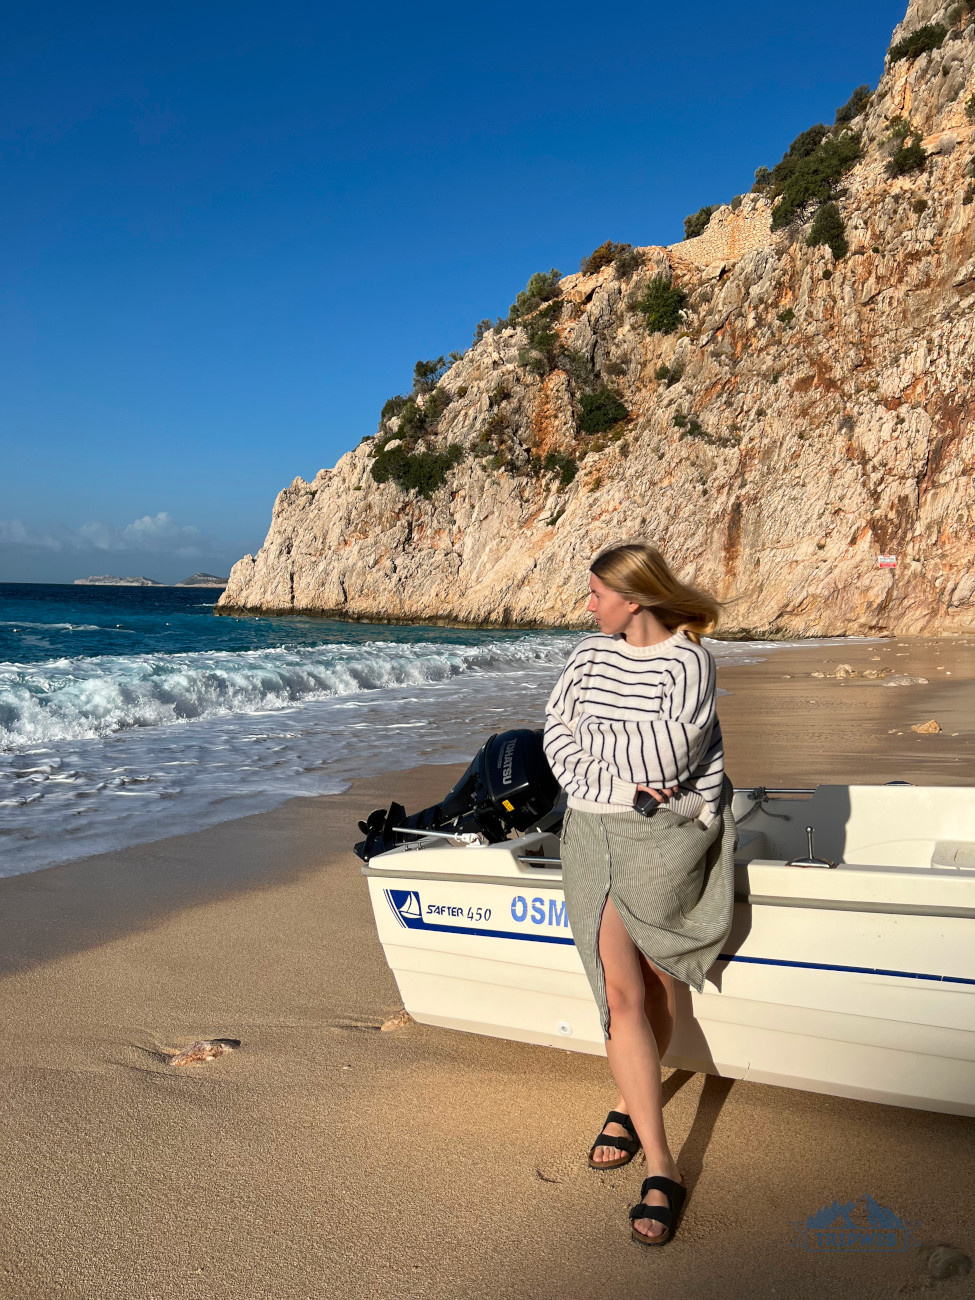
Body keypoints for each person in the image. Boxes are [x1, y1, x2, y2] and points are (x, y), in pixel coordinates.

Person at [542, 541, 736, 1247]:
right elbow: (555, 743)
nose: (587, 605)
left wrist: (597, 745)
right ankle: (662, 1164)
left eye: (597, 593)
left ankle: (629, 1100)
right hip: (594, 832)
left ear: (635, 597)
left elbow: (673, 756)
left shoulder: (689, 660)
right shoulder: (586, 658)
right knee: (618, 994)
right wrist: (620, 779)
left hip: (664, 839)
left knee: (658, 976)